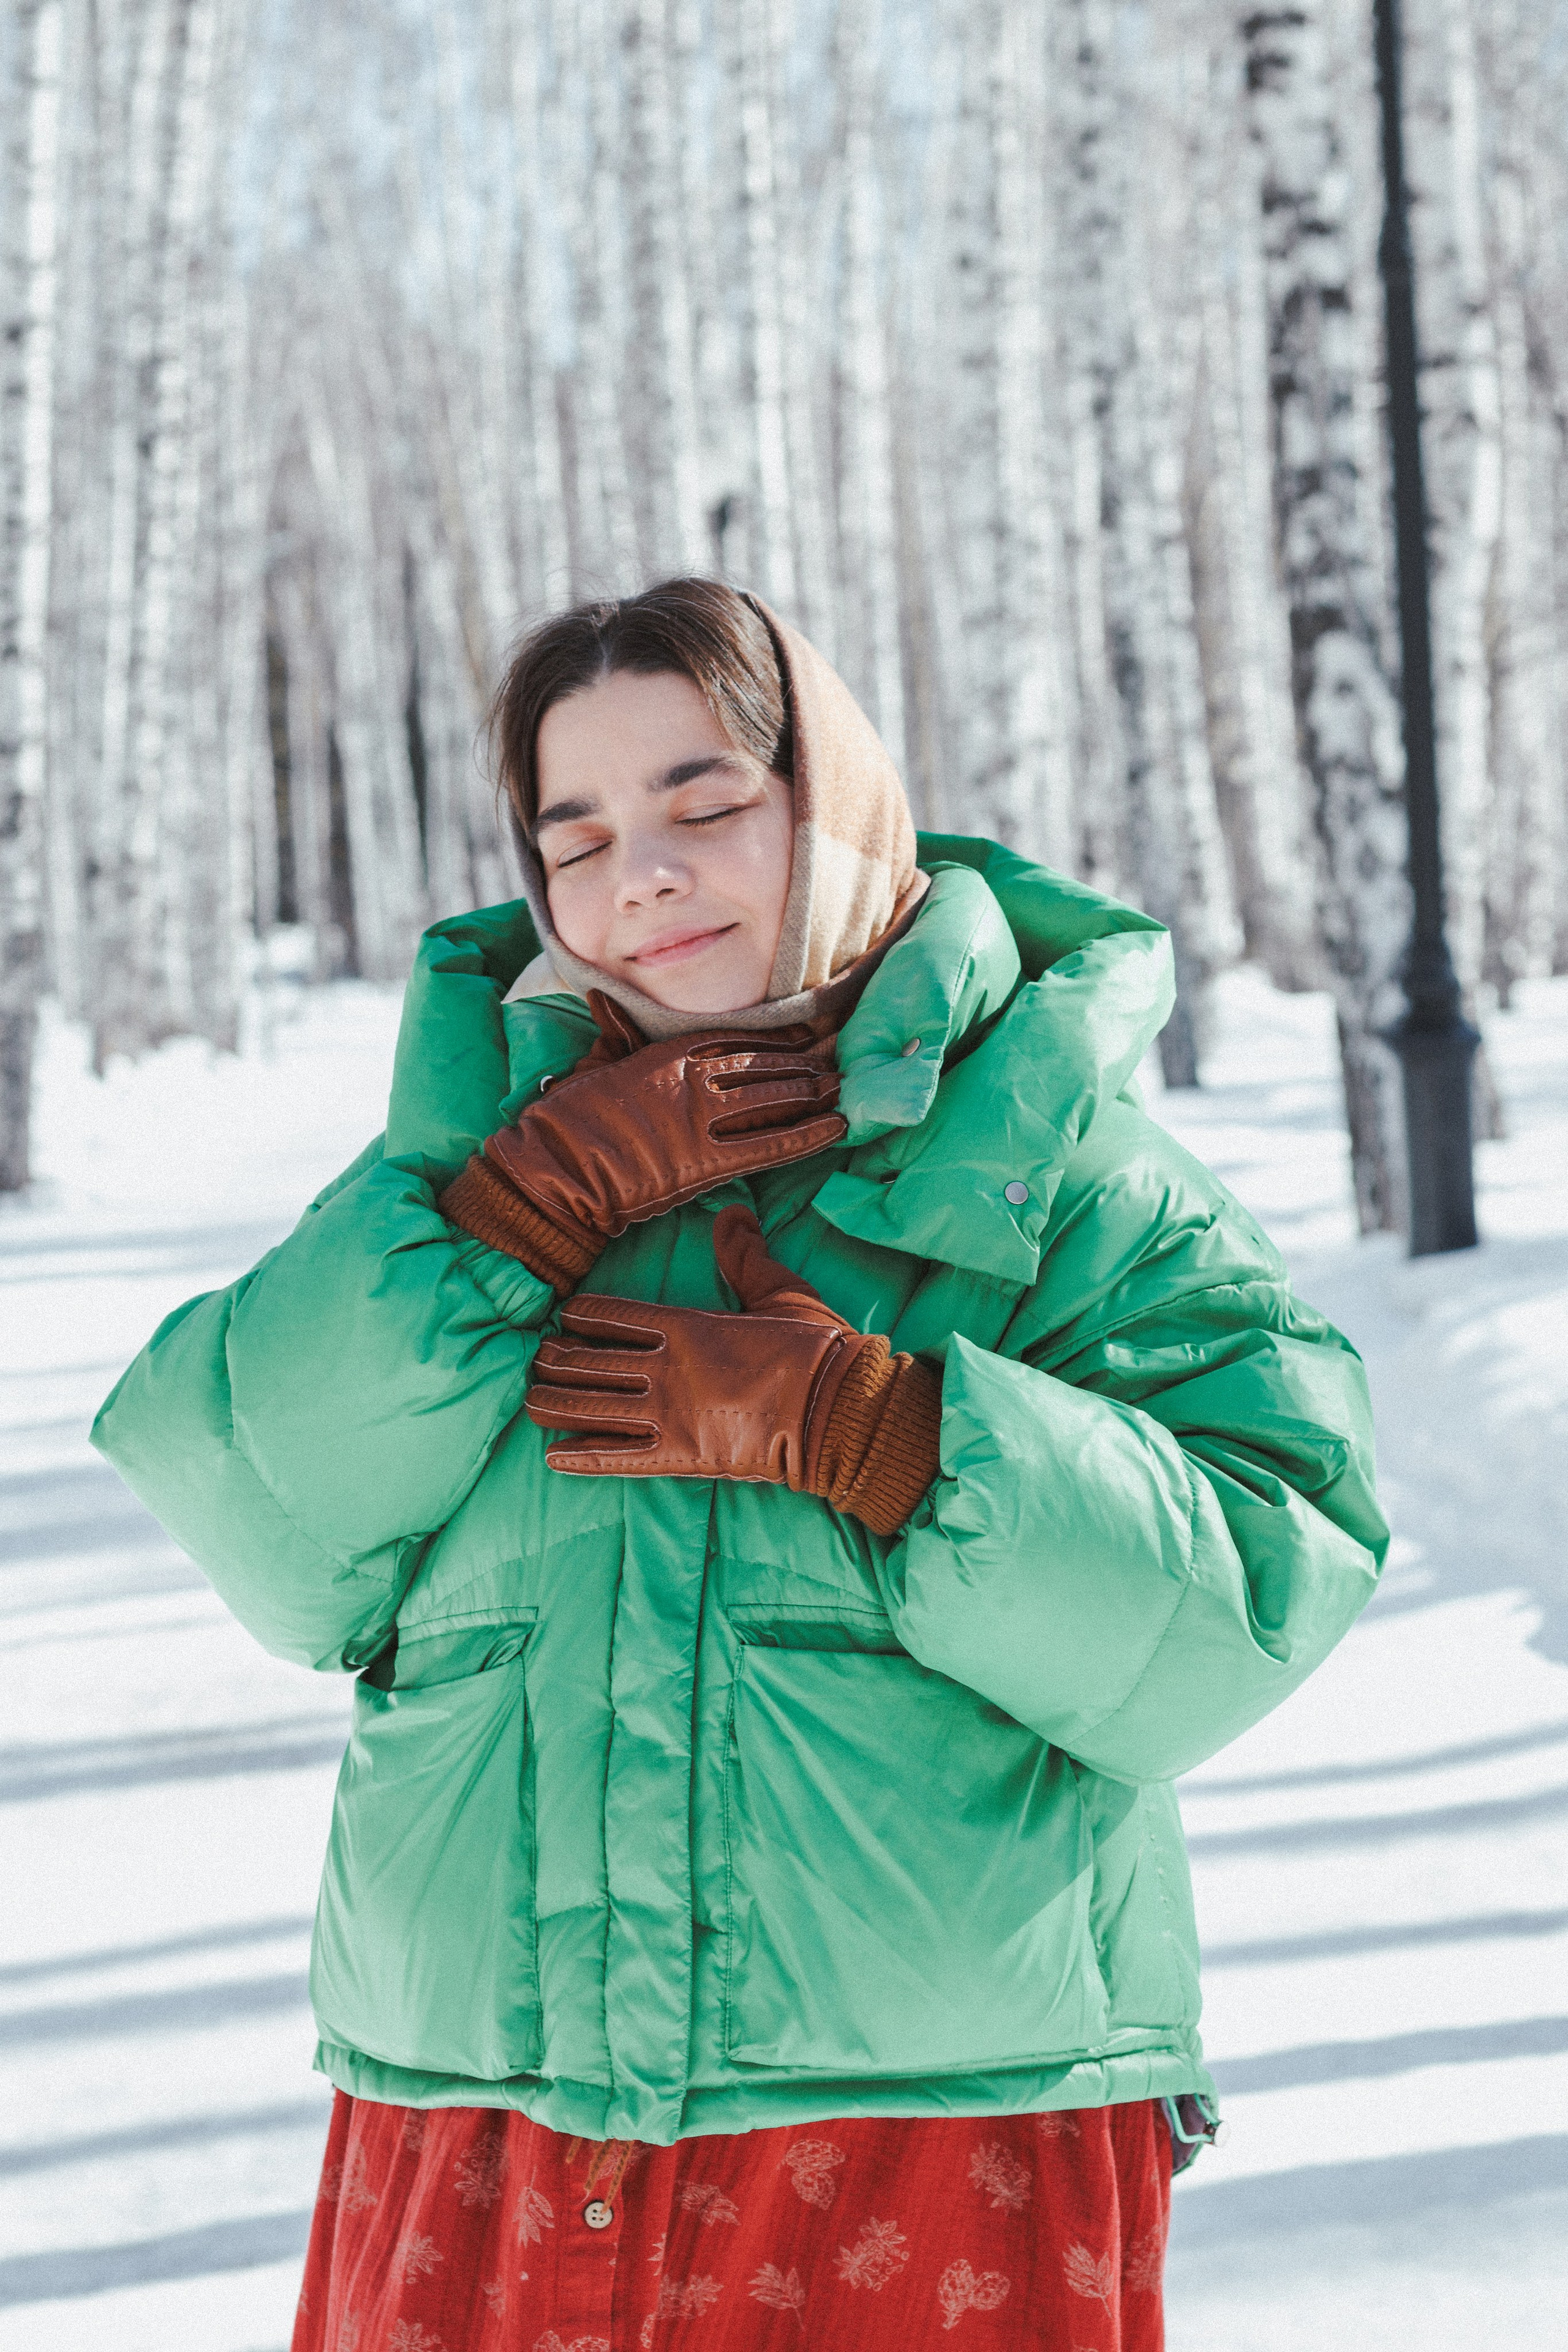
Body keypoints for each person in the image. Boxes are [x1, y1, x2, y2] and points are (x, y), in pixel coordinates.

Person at [93, 579, 1387, 2350]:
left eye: (707, 806)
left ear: (834, 805)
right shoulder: (480, 1160)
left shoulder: (1049, 1155)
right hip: (493, 2107)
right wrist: (503, 1226)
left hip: (930, 2126)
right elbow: (265, 1531)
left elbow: (1266, 1572)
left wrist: (891, 1436)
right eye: (584, 833)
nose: (647, 874)